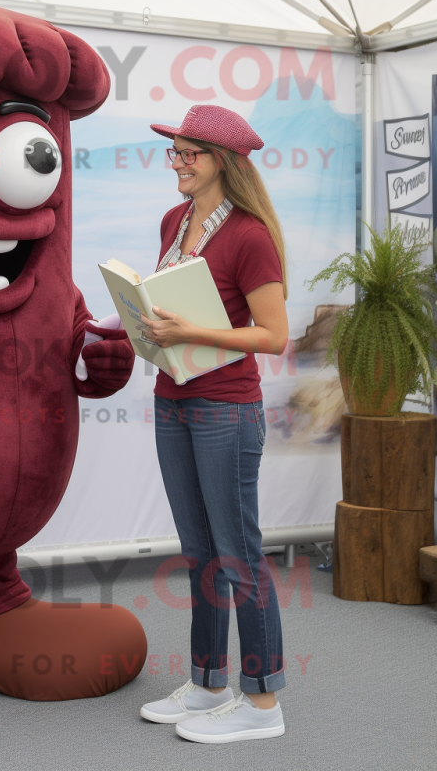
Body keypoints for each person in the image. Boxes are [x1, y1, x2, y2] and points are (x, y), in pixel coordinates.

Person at [137, 104, 289, 744]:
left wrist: (189, 330)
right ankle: (207, 683)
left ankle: (262, 708)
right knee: (201, 553)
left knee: (239, 556)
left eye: (186, 154)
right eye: (173, 152)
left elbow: (274, 336)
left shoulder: (251, 236)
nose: (176, 163)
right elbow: (170, 304)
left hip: (225, 408)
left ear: (219, 161)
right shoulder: (175, 221)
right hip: (173, 397)